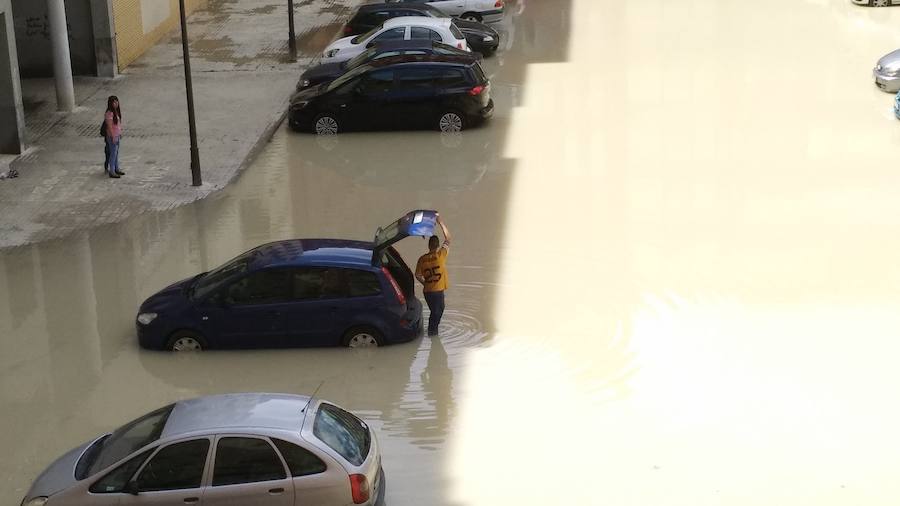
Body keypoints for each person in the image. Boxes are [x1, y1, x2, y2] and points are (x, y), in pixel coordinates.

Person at [415, 214, 452, 336]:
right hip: (437, 292)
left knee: (435, 312)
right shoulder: (440, 255)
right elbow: (448, 238)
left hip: (427, 292)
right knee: (437, 313)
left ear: (429, 245)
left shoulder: (422, 259)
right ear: (437, 246)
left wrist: (425, 283)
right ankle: (432, 334)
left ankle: (432, 332)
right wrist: (440, 221)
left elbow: (417, 275)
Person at [104, 95, 125, 178]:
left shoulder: (116, 111)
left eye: (117, 101)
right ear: (110, 103)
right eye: (114, 102)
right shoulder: (109, 113)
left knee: (116, 153)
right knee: (113, 154)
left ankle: (116, 168)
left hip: (117, 135)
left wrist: (120, 133)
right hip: (112, 136)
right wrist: (113, 136)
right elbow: (109, 126)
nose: (116, 103)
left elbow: (118, 124)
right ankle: (112, 171)